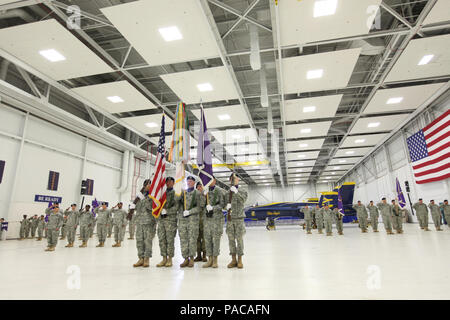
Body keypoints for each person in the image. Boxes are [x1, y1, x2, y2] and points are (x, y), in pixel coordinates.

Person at [177, 176, 202, 268]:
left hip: (192, 220)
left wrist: (190, 212)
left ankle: (191, 258)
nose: (189, 183)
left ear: (194, 183)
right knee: (183, 239)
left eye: (191, 181)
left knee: (192, 240)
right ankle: (185, 258)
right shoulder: (183, 193)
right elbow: (177, 203)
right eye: (188, 181)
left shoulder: (197, 193)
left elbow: (200, 207)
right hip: (183, 220)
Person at [132, 179, 158, 268]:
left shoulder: (154, 196)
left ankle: (146, 259)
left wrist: (145, 200)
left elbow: (153, 208)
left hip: (149, 222)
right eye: (146, 184)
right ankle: (140, 258)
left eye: (150, 184)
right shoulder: (139, 196)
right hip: (139, 222)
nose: (148, 186)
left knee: (147, 241)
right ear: (144, 186)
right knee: (139, 241)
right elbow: (136, 208)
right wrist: (132, 205)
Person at [225, 174, 248, 269]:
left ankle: (240, 260)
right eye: (231, 179)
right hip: (230, 219)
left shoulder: (243, 191)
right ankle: (233, 260)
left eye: (235, 178)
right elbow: (224, 203)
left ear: (238, 179)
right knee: (231, 240)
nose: (233, 180)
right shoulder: (227, 193)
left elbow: (243, 200)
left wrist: (236, 192)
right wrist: (225, 207)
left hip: (239, 219)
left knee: (239, 240)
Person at [202, 177, 225, 268]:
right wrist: (202, 196)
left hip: (216, 220)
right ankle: (209, 259)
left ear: (215, 181)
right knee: (207, 240)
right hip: (207, 220)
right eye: (209, 180)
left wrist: (213, 208)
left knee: (215, 240)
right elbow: (200, 205)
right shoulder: (205, 191)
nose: (210, 182)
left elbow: (222, 205)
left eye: (212, 180)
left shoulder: (219, 191)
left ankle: (215, 260)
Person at [156, 177, 179, 268]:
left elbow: (176, 207)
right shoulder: (162, 194)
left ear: (173, 183)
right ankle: (164, 258)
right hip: (161, 220)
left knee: (170, 240)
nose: (168, 183)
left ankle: (170, 259)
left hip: (170, 220)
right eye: (167, 182)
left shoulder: (175, 194)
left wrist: (167, 211)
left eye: (170, 181)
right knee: (162, 239)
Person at [194, 182, 207, 262]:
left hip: (205, 220)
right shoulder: (194, 197)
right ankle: (198, 255)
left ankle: (204, 255)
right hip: (196, 220)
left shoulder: (207, 196)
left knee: (205, 238)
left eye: (200, 186)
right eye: (198, 187)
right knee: (197, 239)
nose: (199, 188)